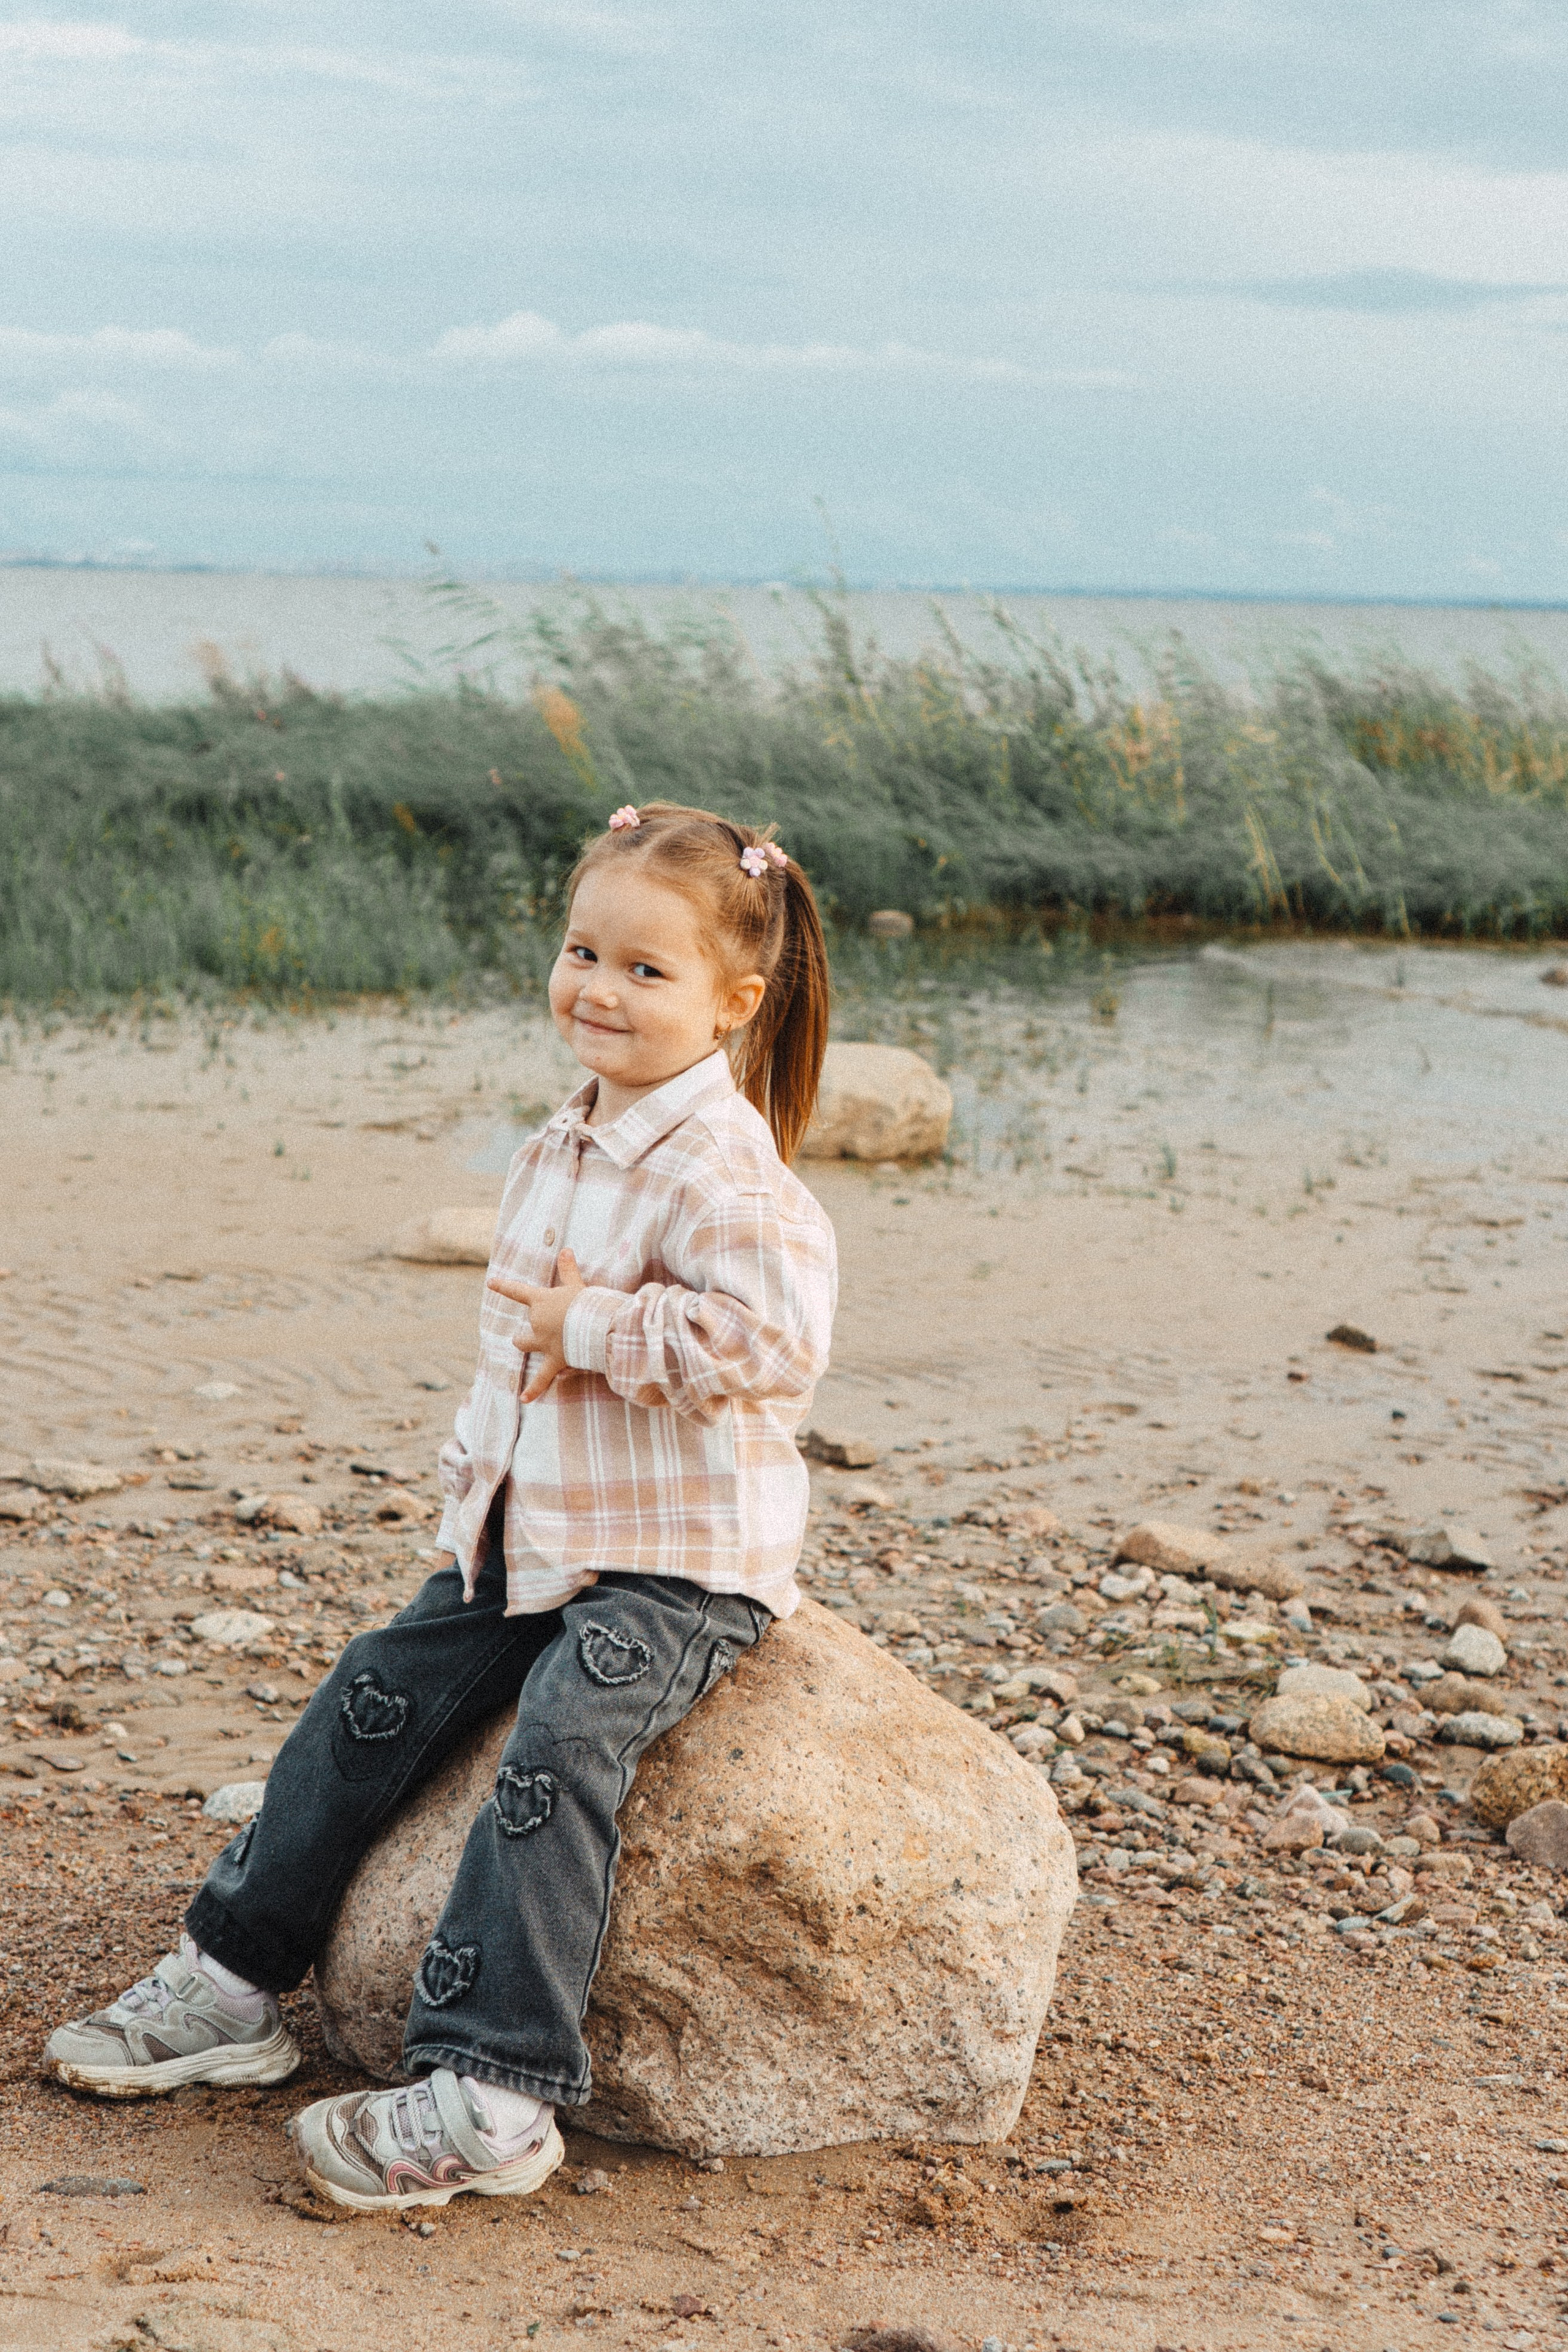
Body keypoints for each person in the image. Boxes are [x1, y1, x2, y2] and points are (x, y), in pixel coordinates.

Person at [45, 801, 837, 2214]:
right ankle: (232, 1977)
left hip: (674, 1564)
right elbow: (509, 1371)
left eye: (645, 971)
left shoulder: (729, 1173)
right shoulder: (562, 1141)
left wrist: (594, 1325)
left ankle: (494, 2094)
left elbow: (769, 1354)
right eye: (582, 949)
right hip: (529, 1542)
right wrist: (474, 1501)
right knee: (374, 1693)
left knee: (558, 1745)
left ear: (735, 1000)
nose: (597, 987)